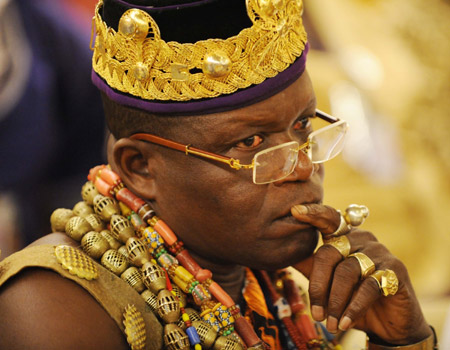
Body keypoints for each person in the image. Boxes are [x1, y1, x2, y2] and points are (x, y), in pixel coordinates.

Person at [0, 0, 438, 349]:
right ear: (140, 168)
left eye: (303, 126)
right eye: (249, 143)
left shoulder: (279, 288)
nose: (303, 165)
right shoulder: (51, 310)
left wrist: (399, 338)